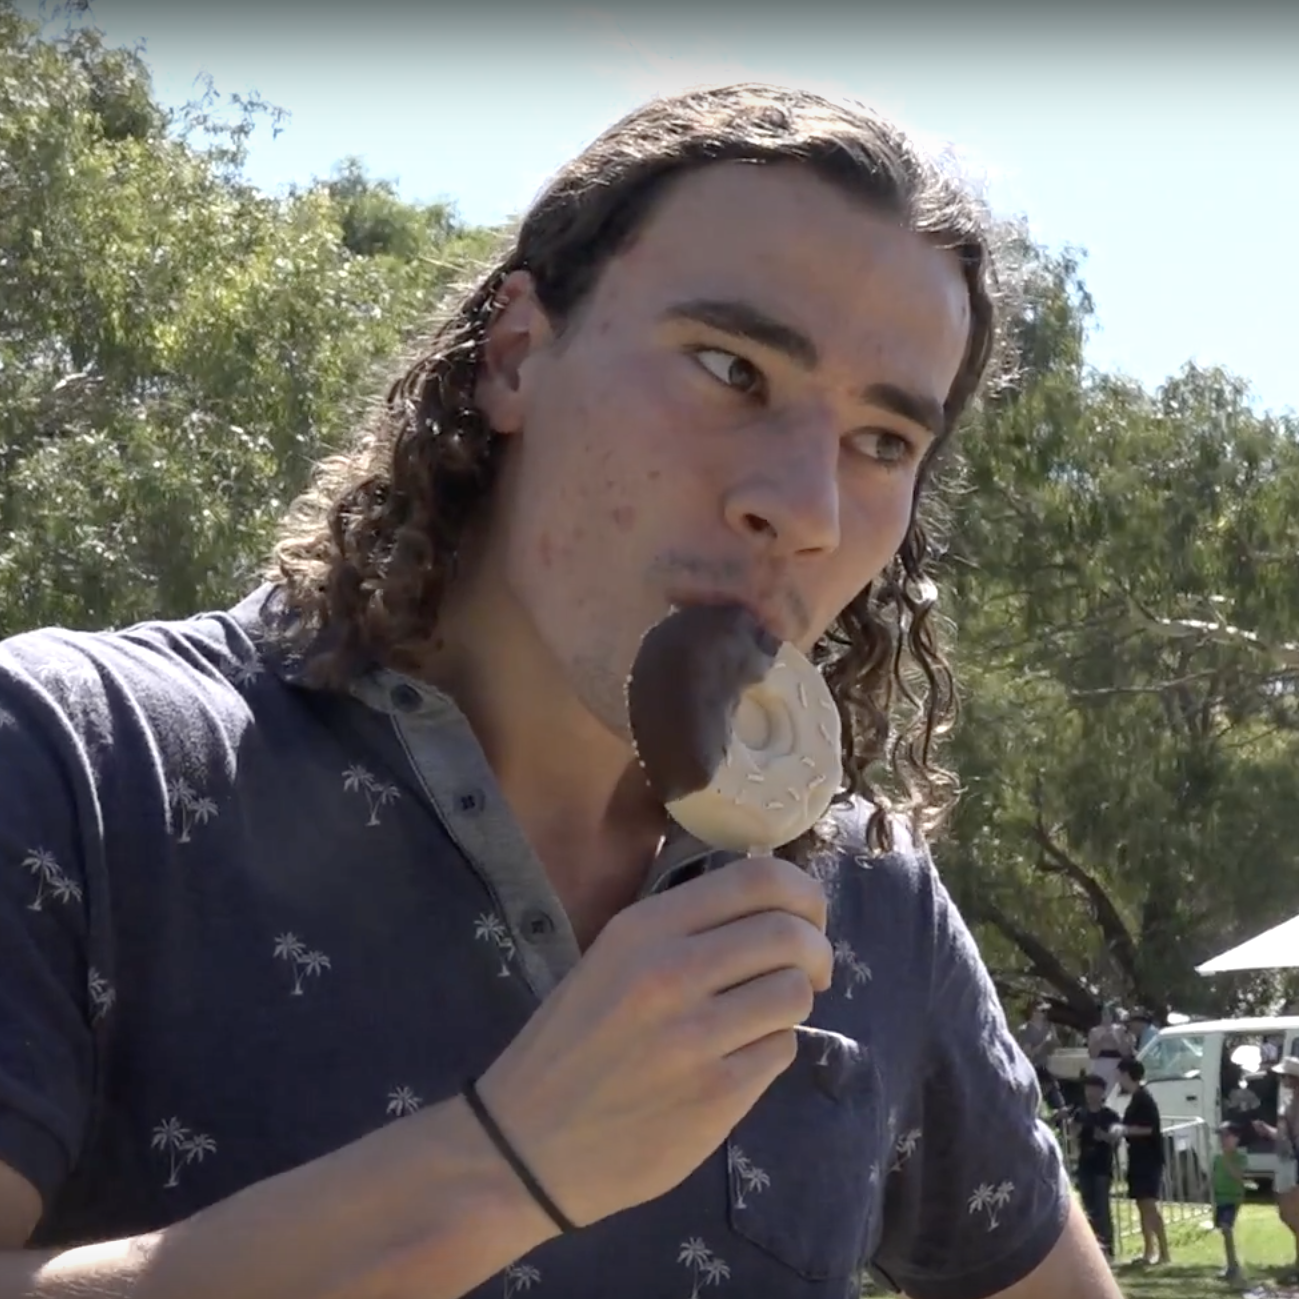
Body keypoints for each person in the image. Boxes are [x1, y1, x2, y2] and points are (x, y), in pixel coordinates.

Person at [0, 84, 1120, 1299]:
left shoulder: (869, 901)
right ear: (518, 356)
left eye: (883, 441)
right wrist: (501, 1167)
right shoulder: (73, 762)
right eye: (728, 367)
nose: (803, 507)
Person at [1114, 1058, 1170, 1266]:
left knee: (1149, 1205)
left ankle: (1164, 1252)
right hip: (1137, 1157)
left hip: (1149, 1159)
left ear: (1128, 1074)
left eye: (1120, 1074)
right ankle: (1149, 1251)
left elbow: (1149, 1128)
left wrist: (1125, 1130)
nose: (1118, 1079)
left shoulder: (1144, 1099)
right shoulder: (1136, 1098)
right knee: (1141, 1205)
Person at [1252, 1055, 1299, 1283]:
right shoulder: (1290, 1103)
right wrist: (1269, 1131)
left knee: (1291, 1214)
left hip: (1293, 1163)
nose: (1281, 1079)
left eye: (1284, 1076)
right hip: (1288, 1160)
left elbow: (1289, 1137)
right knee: (1288, 1214)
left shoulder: (1294, 1105)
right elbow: (1284, 1137)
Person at [1073, 1075, 1121, 1260]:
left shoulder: (1109, 1115)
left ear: (1102, 1092)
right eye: (1087, 1089)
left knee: (1102, 1209)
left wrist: (1104, 1136)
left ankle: (1108, 1249)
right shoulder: (1080, 1113)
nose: (1090, 1093)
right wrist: (1074, 1126)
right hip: (1085, 1166)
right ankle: (1092, 1248)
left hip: (1102, 1167)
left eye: (1094, 1089)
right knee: (1088, 1208)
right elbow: (1073, 1135)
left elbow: (1116, 1137)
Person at [1211, 1122, 1248, 1283]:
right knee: (1224, 1231)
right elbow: (1213, 1175)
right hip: (1220, 1198)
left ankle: (1233, 1266)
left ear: (1236, 1138)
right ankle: (1231, 1264)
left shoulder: (1240, 1157)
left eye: (1226, 1136)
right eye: (1221, 1136)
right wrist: (1202, 1189)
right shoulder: (1217, 1158)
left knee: (1226, 1228)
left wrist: (1227, 1160)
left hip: (1232, 1198)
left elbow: (1239, 1176)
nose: (1223, 1140)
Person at [1019, 1002, 1067, 1114]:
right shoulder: (1025, 1030)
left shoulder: (1049, 1026)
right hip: (1034, 1069)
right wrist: (1044, 1042)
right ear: (1034, 1012)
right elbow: (1028, 1054)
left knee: (1058, 1100)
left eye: (1046, 1011)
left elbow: (1057, 1045)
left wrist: (1053, 1041)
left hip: (1049, 1068)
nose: (1045, 1014)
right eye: (1042, 1011)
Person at [1088, 1005, 1132, 1090]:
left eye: (1108, 1014)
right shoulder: (1094, 1031)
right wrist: (1101, 1041)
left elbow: (1126, 1052)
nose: (1106, 1017)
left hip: (1116, 1066)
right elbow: (1092, 1055)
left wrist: (1115, 1042)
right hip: (1100, 1066)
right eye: (1104, 1014)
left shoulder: (1120, 1030)